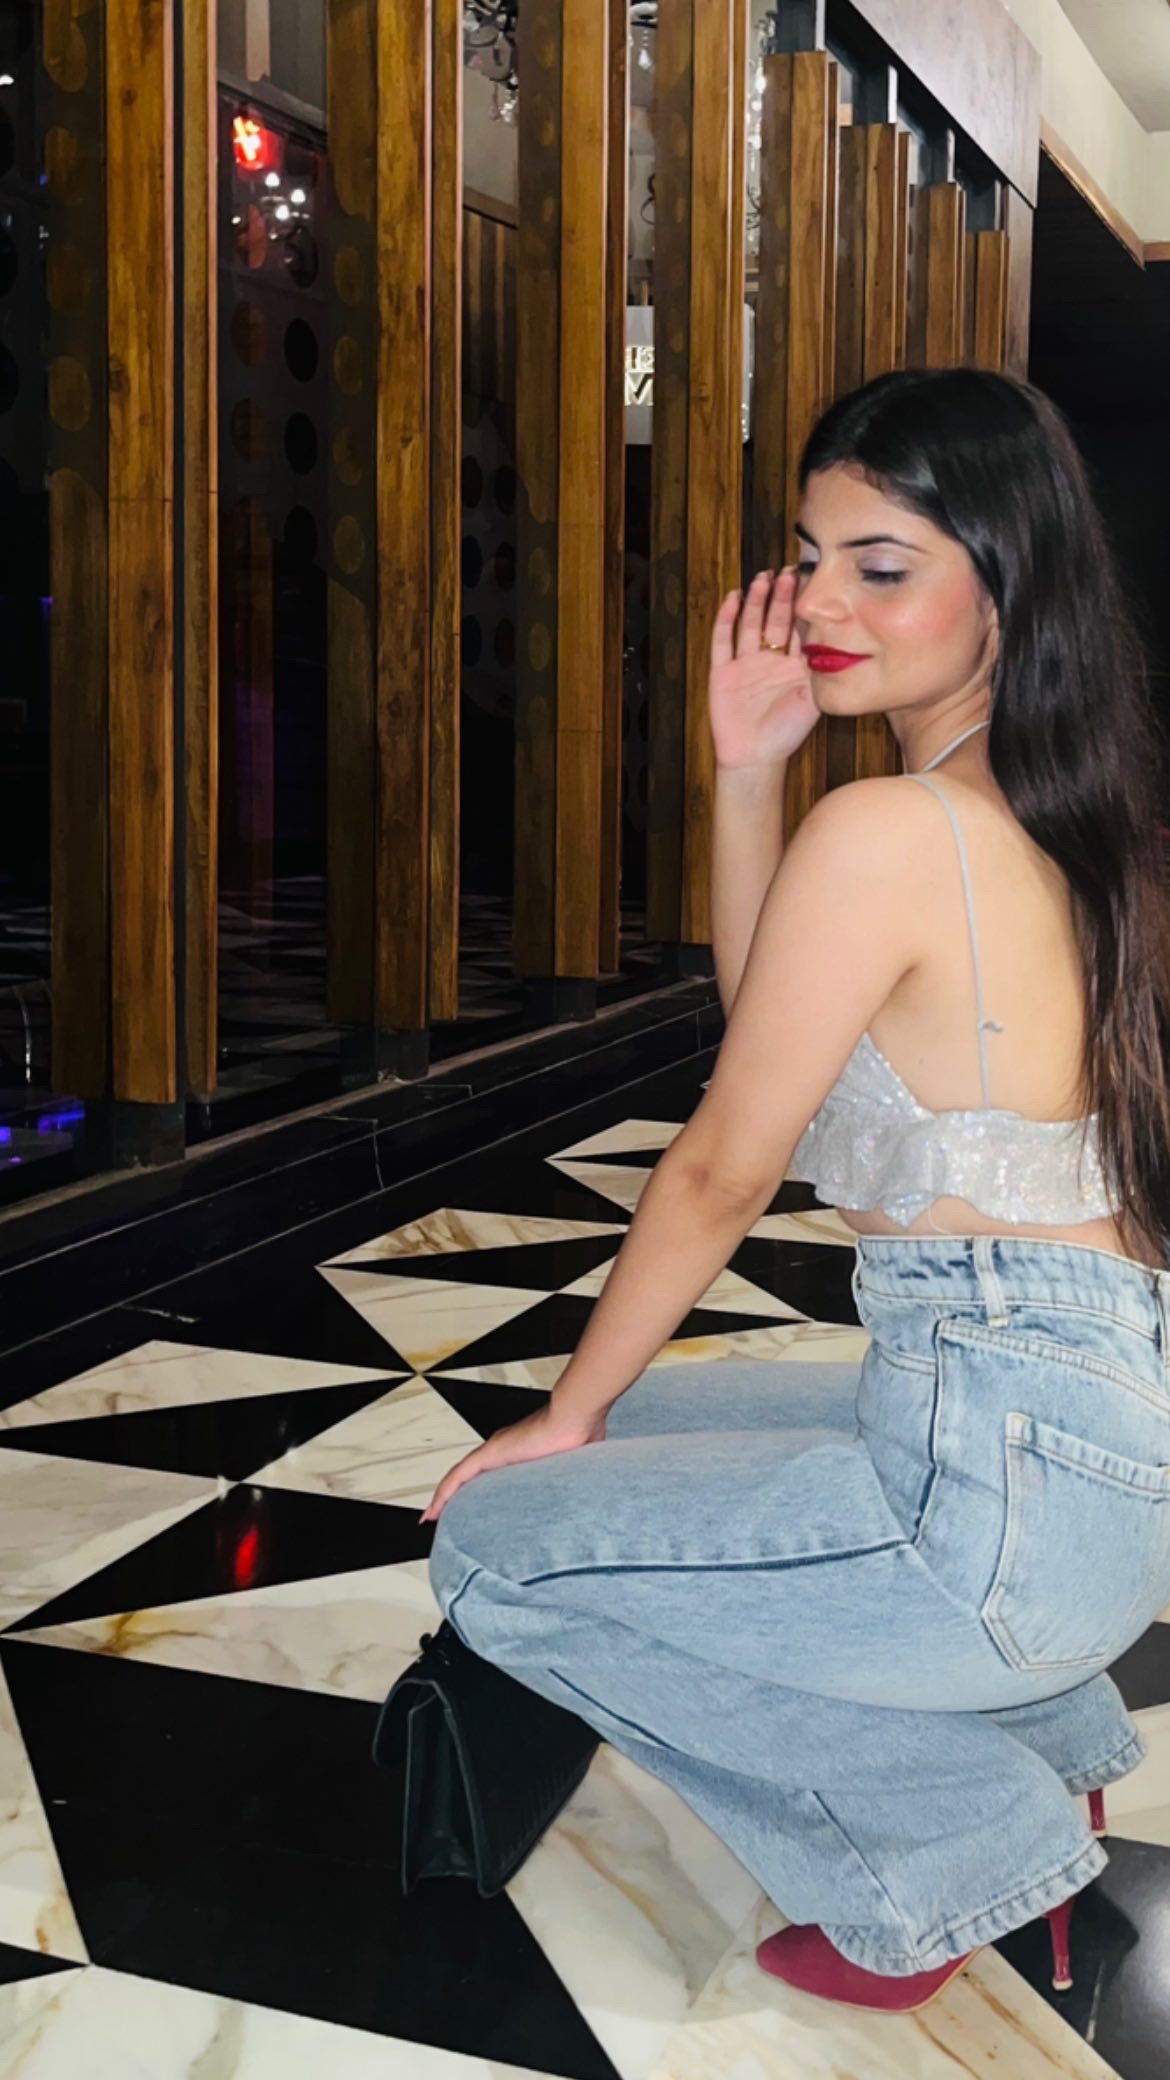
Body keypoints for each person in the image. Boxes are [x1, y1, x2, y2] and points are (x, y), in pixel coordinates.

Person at [423, 368, 1170, 2012]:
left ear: (1007, 583)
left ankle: (948, 1840)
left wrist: (559, 1410)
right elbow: (792, 1040)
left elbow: (724, 1159)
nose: (819, 602)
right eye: (809, 555)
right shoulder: (1054, 810)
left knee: (494, 1547)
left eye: (879, 566)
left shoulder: (896, 826)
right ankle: (1045, 1742)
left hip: (995, 1509)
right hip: (1082, 1462)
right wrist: (748, 769)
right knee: (642, 1430)